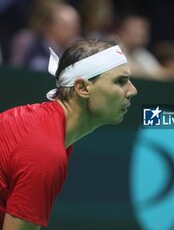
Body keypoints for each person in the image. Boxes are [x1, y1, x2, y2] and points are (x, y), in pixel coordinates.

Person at [0, 36, 137, 230]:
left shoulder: (44, 128)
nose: (133, 90)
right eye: (120, 81)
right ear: (82, 88)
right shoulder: (44, 152)